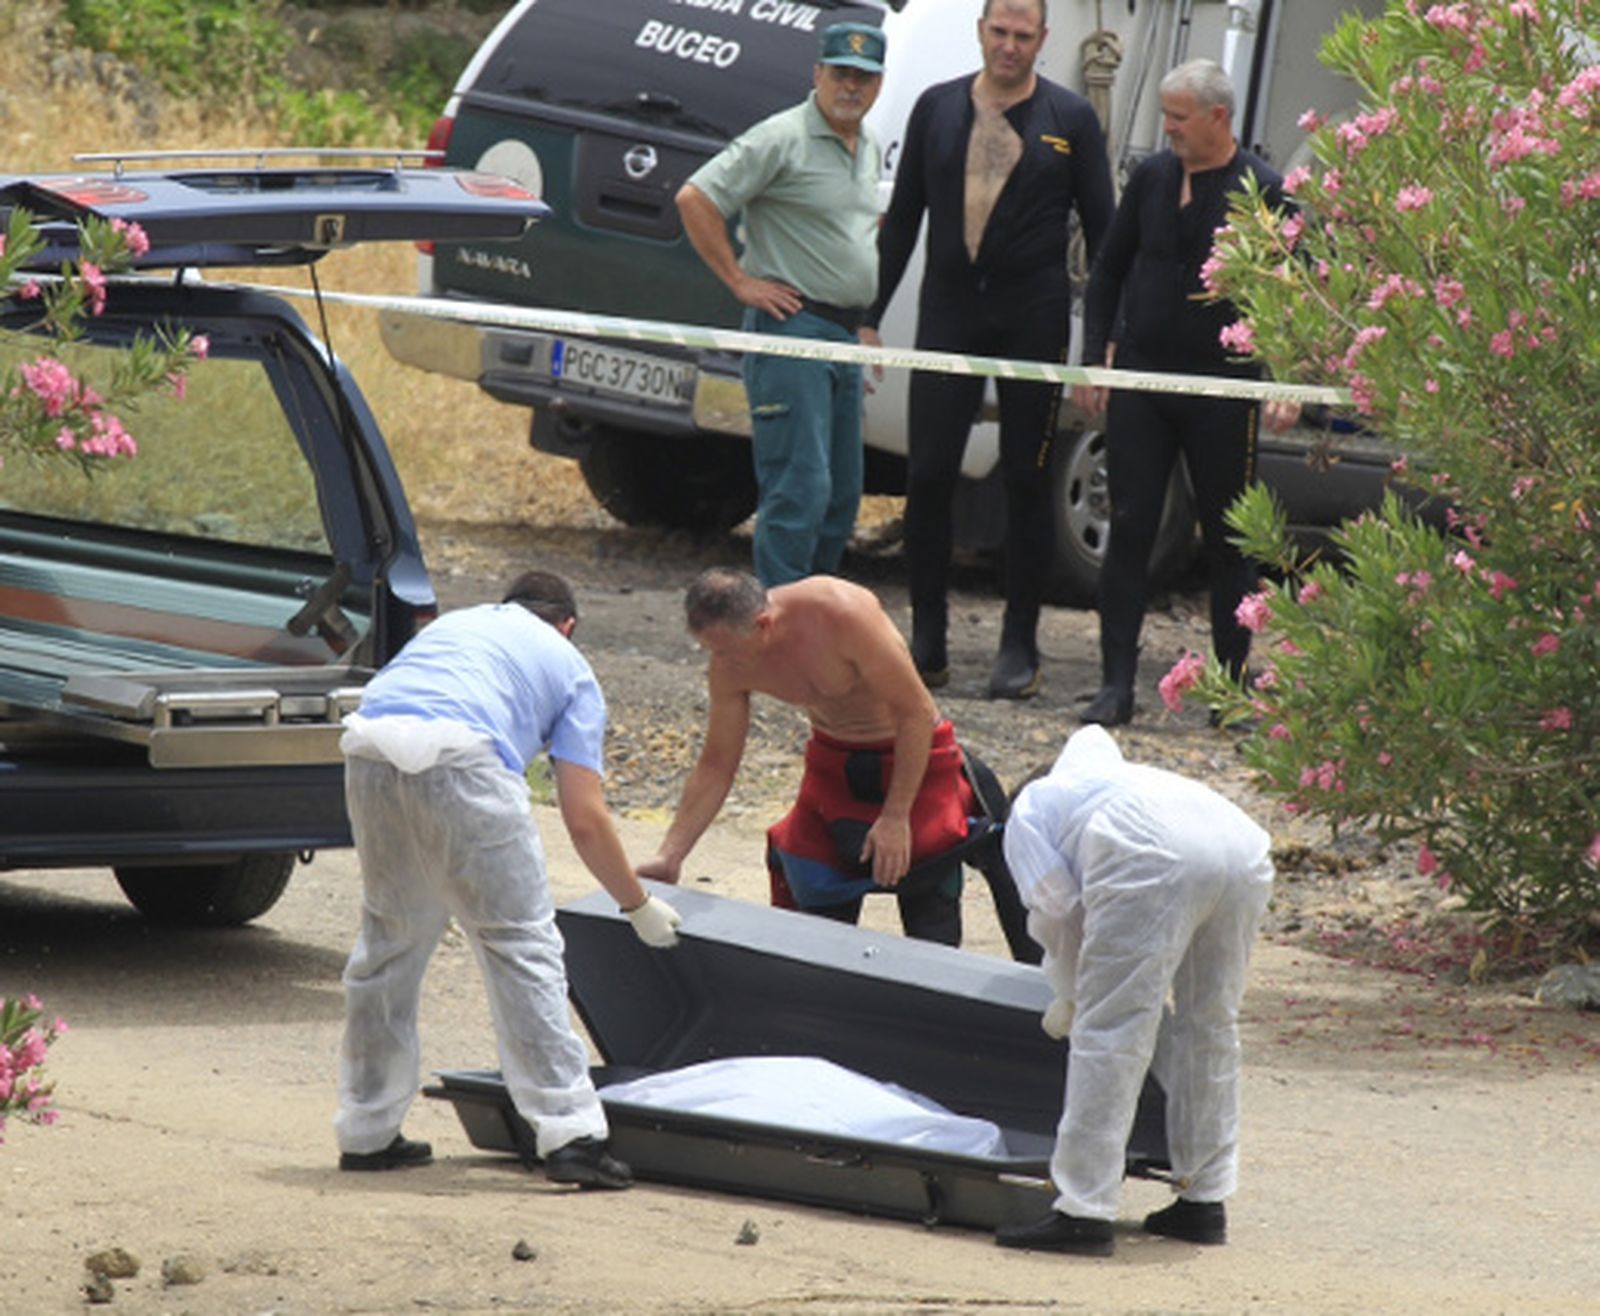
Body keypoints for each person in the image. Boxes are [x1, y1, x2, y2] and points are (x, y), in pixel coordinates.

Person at [334, 571, 682, 1189]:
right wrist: (637, 904)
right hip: (465, 763)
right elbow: (585, 818)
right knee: (521, 947)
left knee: (388, 945)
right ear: (567, 625)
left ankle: (367, 1132)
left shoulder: (458, 625)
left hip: (367, 752)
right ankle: (572, 1135)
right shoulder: (571, 666)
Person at [863, 0, 1114, 700]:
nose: (1009, 47)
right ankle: (929, 642)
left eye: (1023, 36)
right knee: (931, 477)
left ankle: (1018, 646)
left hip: (1031, 317)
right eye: (999, 33)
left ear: (1043, 40)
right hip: (950, 313)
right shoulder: (936, 108)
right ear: (980, 32)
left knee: (1026, 483)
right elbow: (902, 219)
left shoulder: (1070, 119)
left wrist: (1097, 348)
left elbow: (1106, 239)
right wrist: (870, 316)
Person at [1072, 58, 1300, 727]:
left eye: (1177, 117)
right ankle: (1116, 686)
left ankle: (1229, 695)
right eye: (1165, 115)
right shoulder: (1150, 177)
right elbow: (1108, 267)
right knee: (1131, 524)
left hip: (1222, 388)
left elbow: (1297, 292)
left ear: (1217, 118)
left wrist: (1286, 375)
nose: (1166, 127)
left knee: (1231, 539)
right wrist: (1094, 359)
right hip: (1144, 378)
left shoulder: (1263, 190)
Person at [994, 725, 1274, 1256]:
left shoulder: (1030, 808)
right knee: (1210, 1024)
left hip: (1148, 843)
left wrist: (1072, 996)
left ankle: (1083, 1210)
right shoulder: (1126, 780)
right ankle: (1203, 1201)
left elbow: (1059, 913)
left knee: (1112, 1028)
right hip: (1242, 844)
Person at [637, 567, 974, 946]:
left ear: (763, 625)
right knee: (811, 881)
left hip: (916, 755)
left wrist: (896, 816)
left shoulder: (841, 613)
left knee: (927, 878)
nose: (720, 661)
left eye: (726, 649)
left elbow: (916, 713)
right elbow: (717, 764)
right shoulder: (728, 665)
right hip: (833, 764)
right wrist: (671, 855)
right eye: (711, 650)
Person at [676, 22, 887, 589]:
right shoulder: (782, 136)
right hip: (792, 328)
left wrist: (865, 323)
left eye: (864, 78)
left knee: (841, 495)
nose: (851, 87)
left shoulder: (867, 145)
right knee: (800, 489)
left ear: (879, 84)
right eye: (841, 73)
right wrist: (739, 280)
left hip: (843, 336)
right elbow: (696, 197)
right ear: (817, 73)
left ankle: (813, 623)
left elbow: (860, 237)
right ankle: (781, 623)